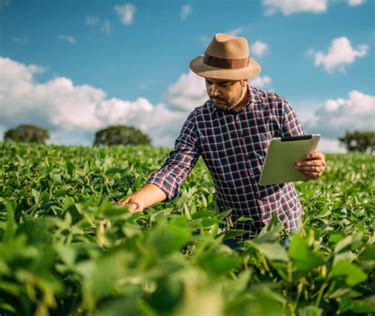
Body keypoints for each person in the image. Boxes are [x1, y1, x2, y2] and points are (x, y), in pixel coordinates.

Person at [118, 33, 326, 243]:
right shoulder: (199, 121)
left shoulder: (276, 107)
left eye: (224, 84)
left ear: (244, 80)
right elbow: (175, 169)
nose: (213, 91)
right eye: (209, 82)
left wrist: (313, 168)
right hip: (234, 231)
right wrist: (138, 201)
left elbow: (304, 160)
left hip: (282, 225)